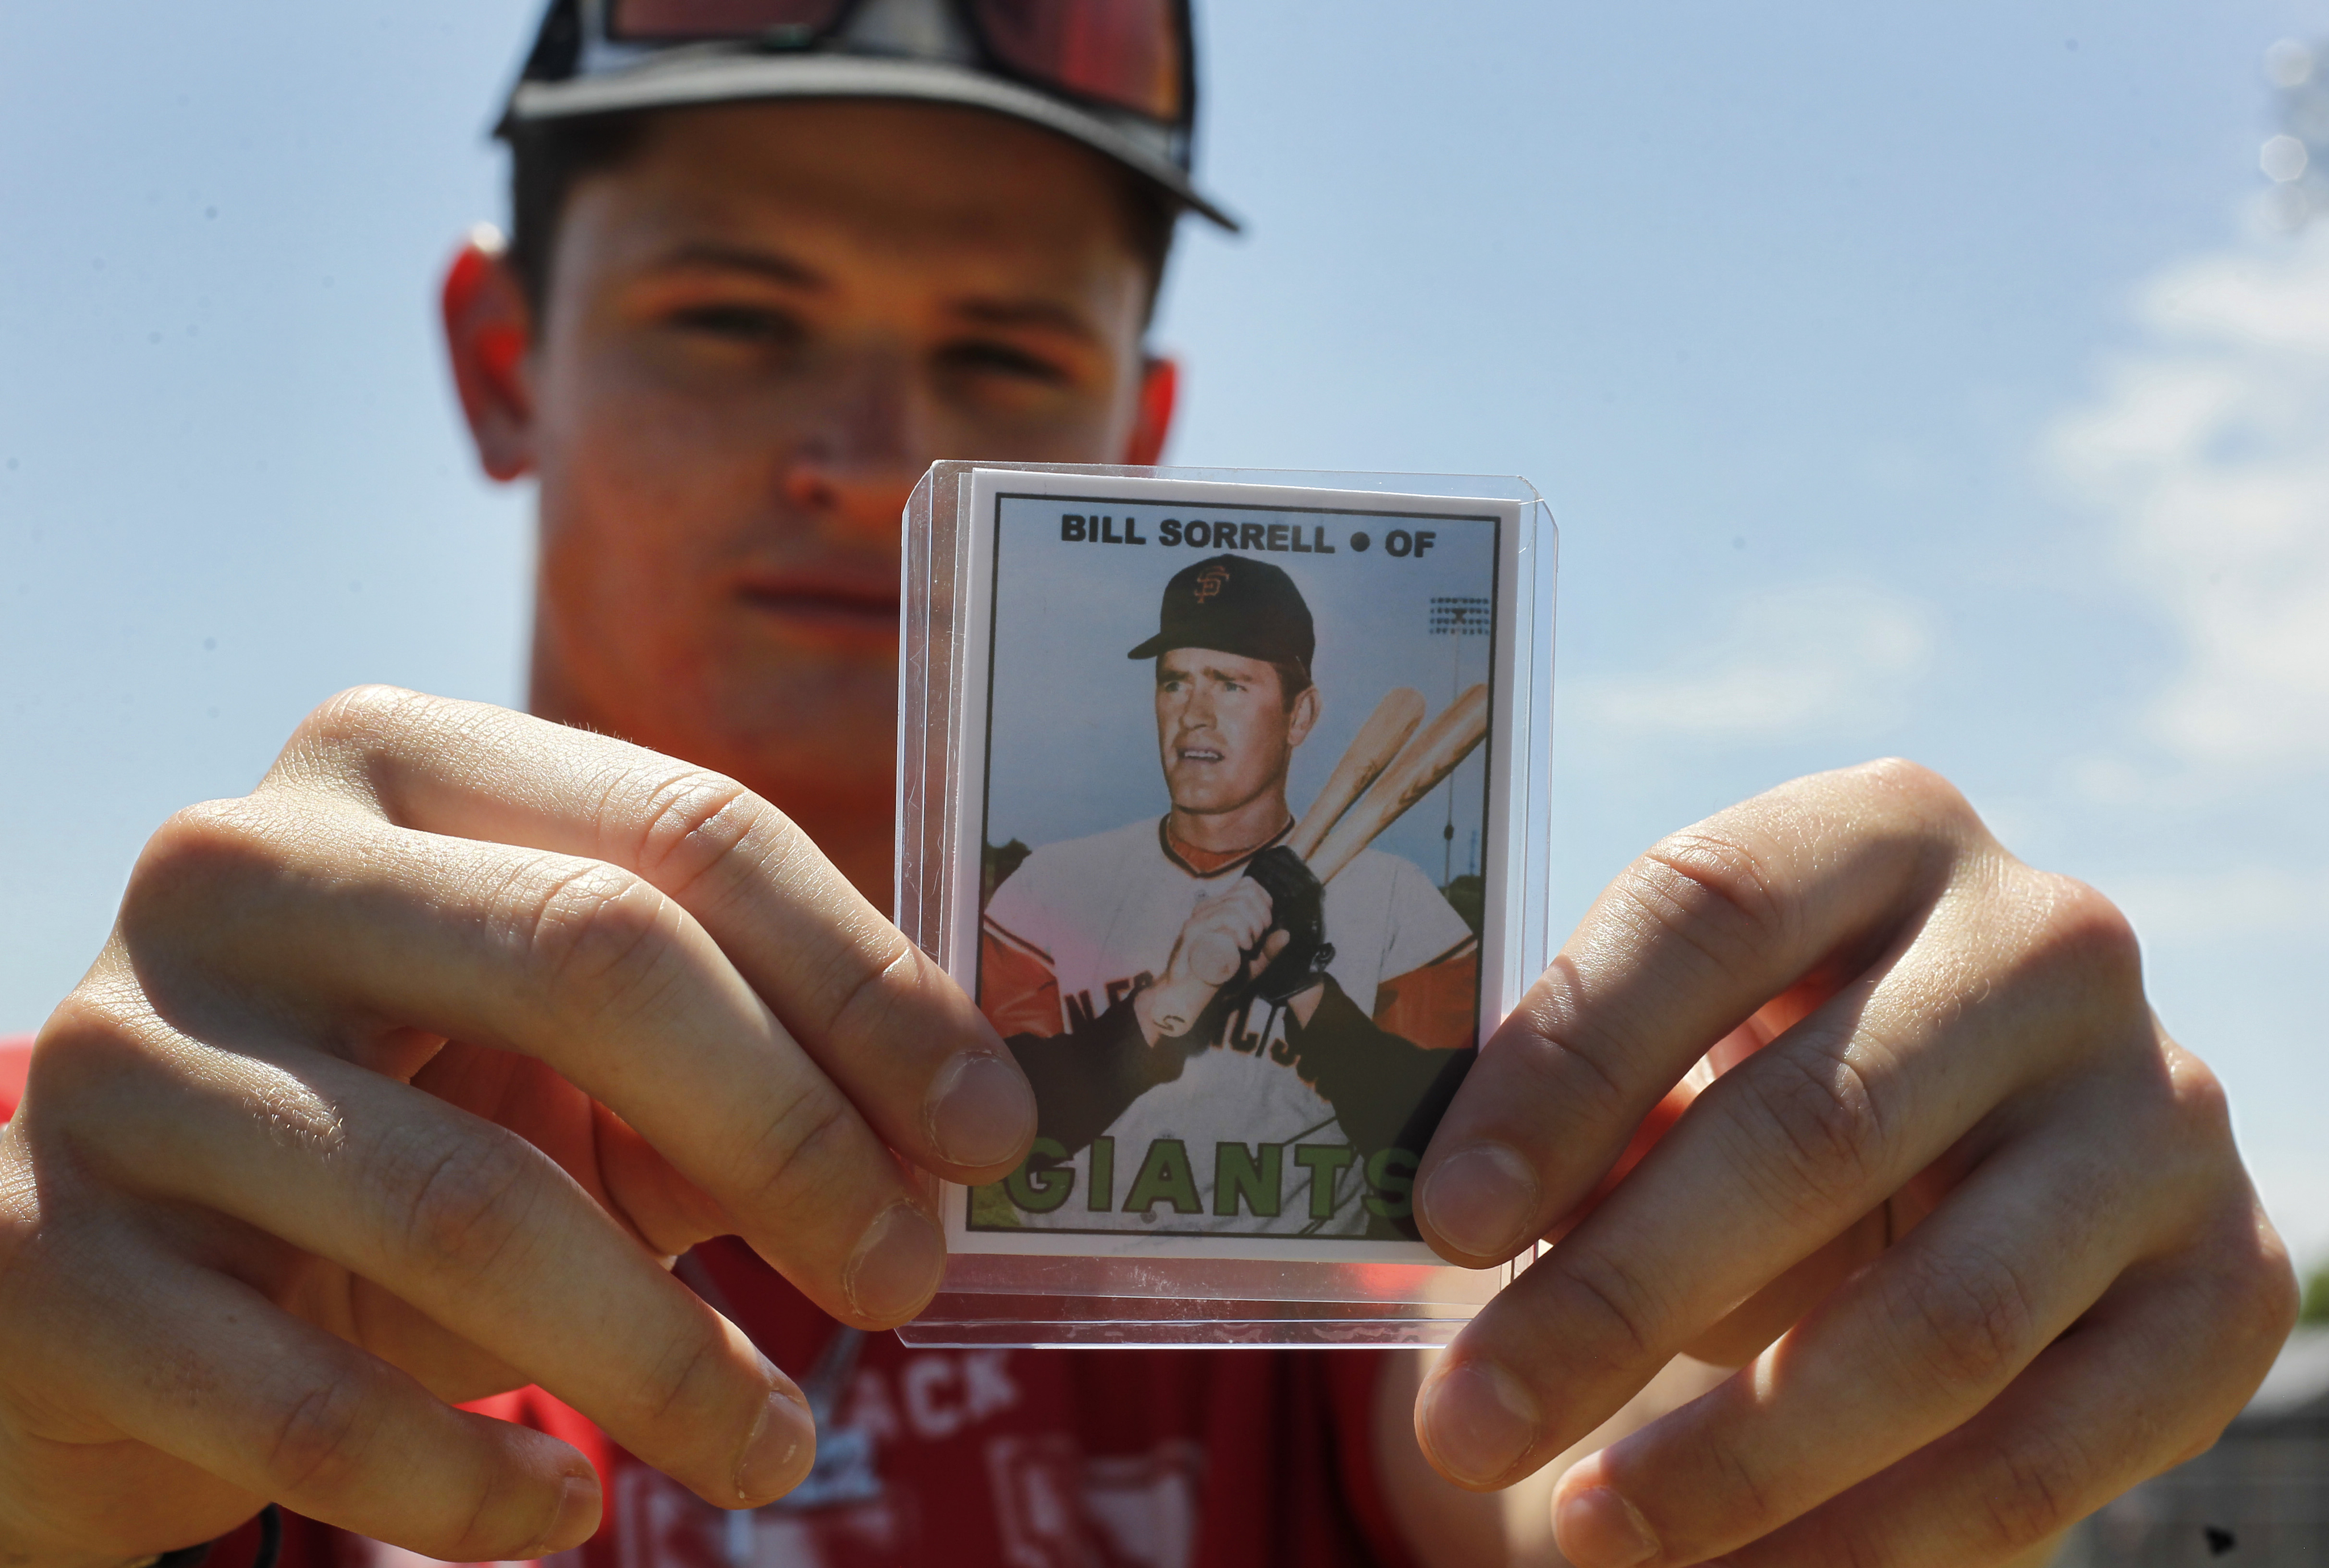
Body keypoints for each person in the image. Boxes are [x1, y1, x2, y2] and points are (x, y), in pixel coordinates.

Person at [0, 2, 2295, 1566]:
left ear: (1135, 432)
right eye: (728, 313)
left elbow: (1522, 1434)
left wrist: (1866, 1293)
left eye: (997, 349)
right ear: (502, 360)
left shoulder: (1274, 1220)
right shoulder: (147, 1142)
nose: (868, 456)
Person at [981, 553, 1478, 1239]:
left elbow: (1445, 1157)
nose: (1195, 716)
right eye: (1175, 682)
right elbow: (987, 1135)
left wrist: (1306, 990)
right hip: (1072, 1298)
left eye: (1231, 684)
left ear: (1300, 715)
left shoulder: (1399, 902)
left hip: (1295, 1315)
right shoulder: (1046, 887)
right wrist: (1163, 1005)